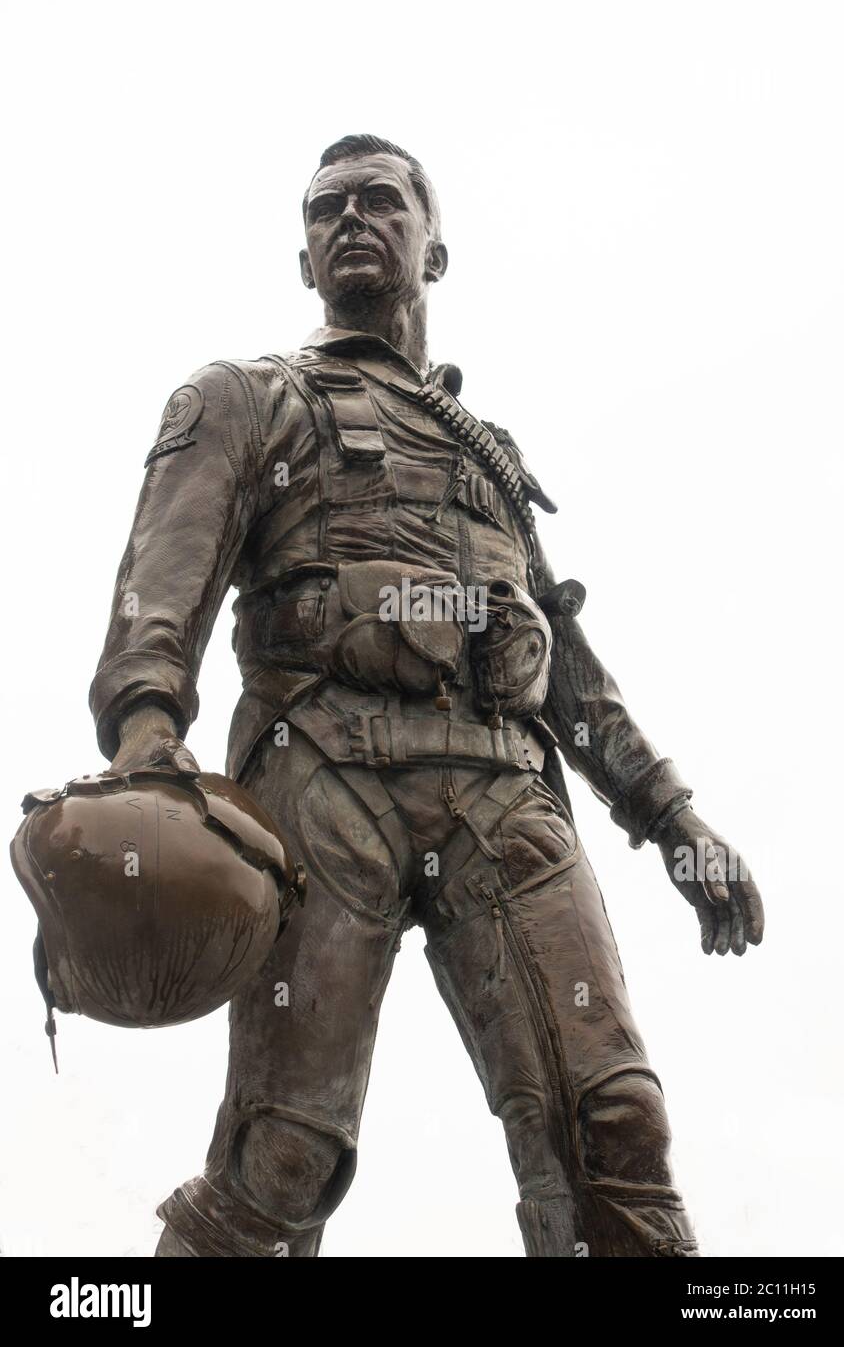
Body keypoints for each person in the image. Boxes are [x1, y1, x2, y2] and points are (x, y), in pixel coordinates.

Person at [91, 134, 764, 1257]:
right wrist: (146, 731)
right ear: (304, 259)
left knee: (616, 1126)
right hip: (321, 785)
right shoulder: (246, 396)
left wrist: (675, 820)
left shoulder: (489, 460)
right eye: (326, 208)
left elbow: (569, 671)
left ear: (433, 248)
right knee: (284, 1152)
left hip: (503, 798)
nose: (351, 218)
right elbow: (160, 583)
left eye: (381, 201)